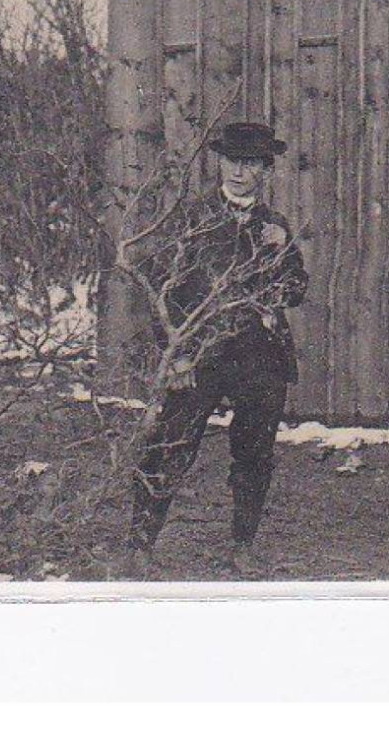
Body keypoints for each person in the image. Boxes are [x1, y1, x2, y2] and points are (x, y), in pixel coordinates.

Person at [126, 121, 308, 575]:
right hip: (202, 352)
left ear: (265, 169)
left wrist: (281, 253)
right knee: (170, 445)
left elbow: (295, 290)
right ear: (219, 161)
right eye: (231, 160)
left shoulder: (276, 226)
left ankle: (242, 546)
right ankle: (139, 546)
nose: (238, 172)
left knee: (255, 454)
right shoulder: (192, 218)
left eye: (249, 163)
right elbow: (162, 292)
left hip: (258, 354)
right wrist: (178, 355)